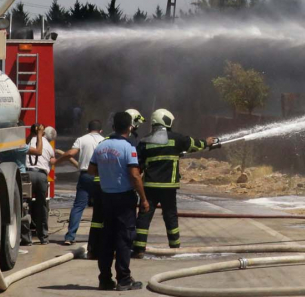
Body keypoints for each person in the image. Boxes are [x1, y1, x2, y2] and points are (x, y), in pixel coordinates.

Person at [133, 109, 216, 256]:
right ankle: (175, 247)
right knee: (170, 216)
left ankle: (139, 248)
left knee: (144, 216)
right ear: (167, 121)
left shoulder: (144, 141)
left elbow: (138, 164)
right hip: (168, 187)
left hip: (149, 186)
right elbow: (195, 144)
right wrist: (208, 142)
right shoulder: (177, 139)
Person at [88, 111, 149, 291]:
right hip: (124, 199)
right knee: (124, 238)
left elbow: (91, 170)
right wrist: (144, 199)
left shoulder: (101, 146)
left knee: (107, 238)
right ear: (129, 128)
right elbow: (134, 175)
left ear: (113, 127)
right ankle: (124, 279)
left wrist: (108, 174)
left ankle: (105, 279)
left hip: (106, 197)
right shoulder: (128, 147)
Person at [59, 119, 105, 245]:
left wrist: (56, 162)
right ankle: (101, 236)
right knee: (101, 206)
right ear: (101, 130)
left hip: (85, 175)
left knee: (78, 206)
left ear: (87, 129)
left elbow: (70, 154)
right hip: (101, 177)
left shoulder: (82, 139)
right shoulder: (104, 140)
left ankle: (70, 236)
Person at [23, 124, 57, 245]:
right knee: (42, 206)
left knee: (24, 206)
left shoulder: (26, 142)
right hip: (42, 176)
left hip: (27, 175)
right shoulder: (47, 145)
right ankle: (43, 237)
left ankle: (26, 238)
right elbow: (52, 161)